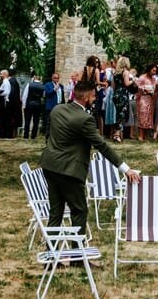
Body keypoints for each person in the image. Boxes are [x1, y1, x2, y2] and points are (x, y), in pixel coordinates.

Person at [39, 80, 141, 234]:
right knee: (79, 211)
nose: (95, 99)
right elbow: (102, 146)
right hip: (69, 170)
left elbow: (48, 134)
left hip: (49, 165)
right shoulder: (84, 119)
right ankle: (78, 257)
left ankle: (52, 255)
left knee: (56, 212)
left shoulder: (57, 110)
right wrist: (125, 169)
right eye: (93, 96)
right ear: (86, 97)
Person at [135, 64, 158, 142]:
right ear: (149, 69)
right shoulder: (142, 77)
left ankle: (146, 136)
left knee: (149, 117)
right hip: (143, 99)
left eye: (155, 71)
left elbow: (155, 88)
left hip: (151, 100)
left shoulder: (154, 79)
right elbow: (137, 87)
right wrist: (145, 90)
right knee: (142, 116)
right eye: (153, 70)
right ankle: (140, 135)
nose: (154, 72)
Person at [23, 74, 46, 140]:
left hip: (29, 104)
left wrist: (24, 105)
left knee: (27, 120)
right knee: (36, 121)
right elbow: (43, 96)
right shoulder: (42, 86)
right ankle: (33, 135)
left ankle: (26, 135)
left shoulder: (29, 84)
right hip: (38, 105)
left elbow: (25, 95)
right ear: (40, 79)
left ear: (34, 78)